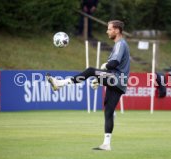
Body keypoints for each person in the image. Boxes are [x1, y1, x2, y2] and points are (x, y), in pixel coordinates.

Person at [47, 20, 129, 151]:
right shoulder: (119, 45)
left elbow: (113, 64)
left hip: (117, 79)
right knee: (108, 111)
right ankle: (106, 144)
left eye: (109, 29)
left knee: (91, 70)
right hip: (120, 82)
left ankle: (60, 83)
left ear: (117, 30)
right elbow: (115, 67)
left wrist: (103, 67)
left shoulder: (120, 44)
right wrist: (100, 79)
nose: (107, 31)